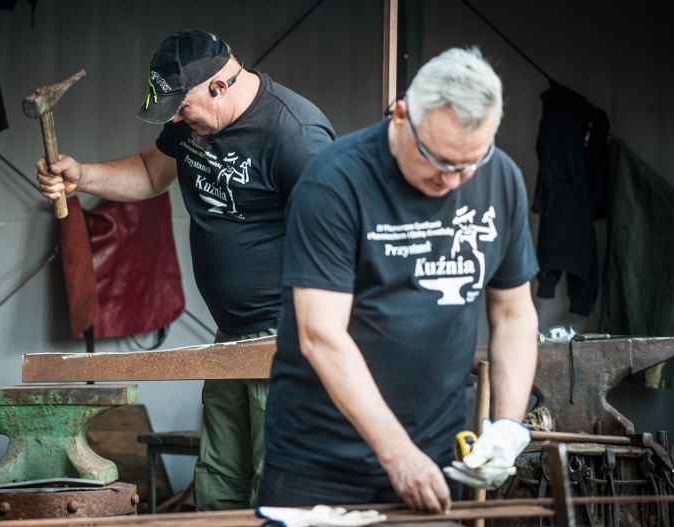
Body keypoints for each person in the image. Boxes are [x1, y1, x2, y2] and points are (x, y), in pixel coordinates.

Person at [36, 28, 336, 510]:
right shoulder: (193, 122)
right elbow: (153, 171)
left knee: (276, 480)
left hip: (287, 340)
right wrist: (82, 176)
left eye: (182, 106)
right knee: (218, 476)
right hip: (230, 335)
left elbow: (341, 242)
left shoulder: (294, 135)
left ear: (219, 85)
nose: (175, 118)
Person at [259, 47, 538, 512]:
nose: (453, 179)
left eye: (470, 163)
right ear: (402, 114)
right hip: (320, 464)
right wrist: (396, 453)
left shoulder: (501, 179)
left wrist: (508, 425)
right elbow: (320, 334)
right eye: (439, 159)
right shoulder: (333, 183)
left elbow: (512, 312)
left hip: (433, 457)